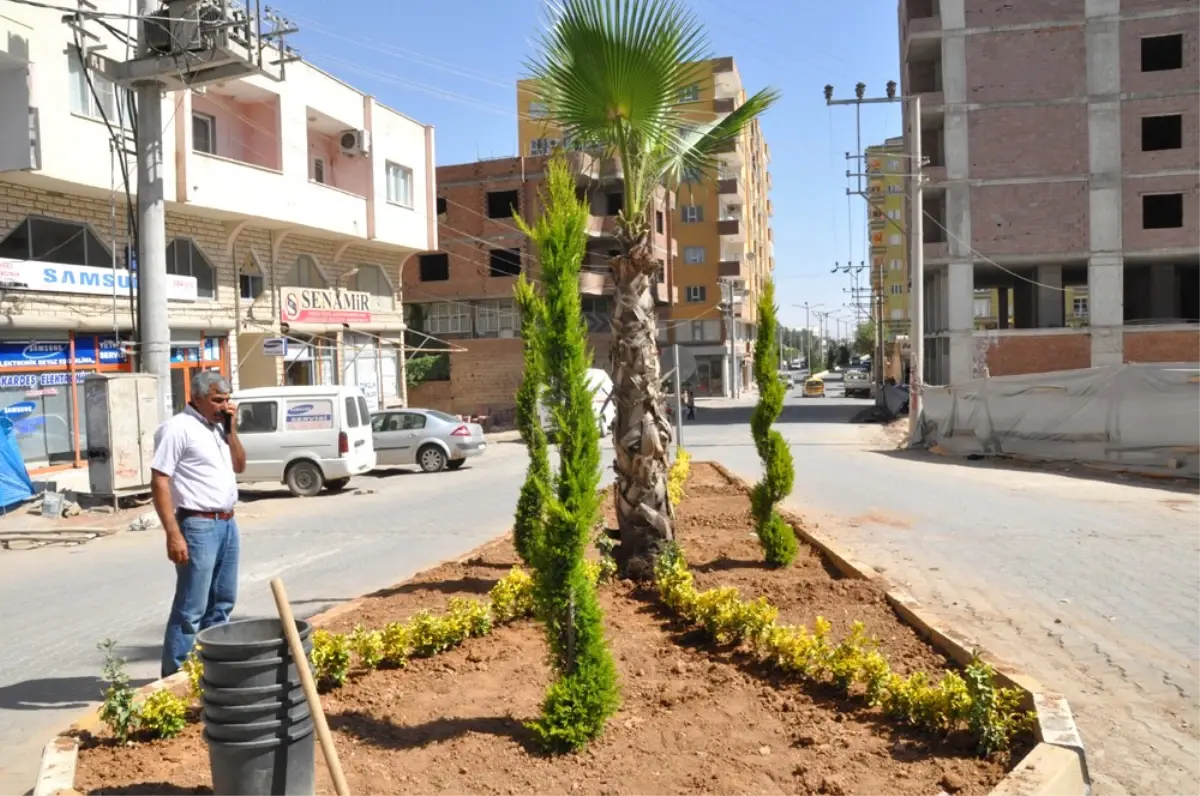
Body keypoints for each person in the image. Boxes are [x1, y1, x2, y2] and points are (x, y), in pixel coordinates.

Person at [151, 370, 246, 678]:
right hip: (197, 526)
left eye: (228, 399)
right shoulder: (178, 429)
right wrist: (173, 534)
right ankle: (174, 678)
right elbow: (159, 481)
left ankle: (212, 672)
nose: (225, 406)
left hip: (227, 524)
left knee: (222, 604)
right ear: (198, 398)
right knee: (191, 609)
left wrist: (231, 431)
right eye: (218, 400)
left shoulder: (218, 428)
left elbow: (240, 465)